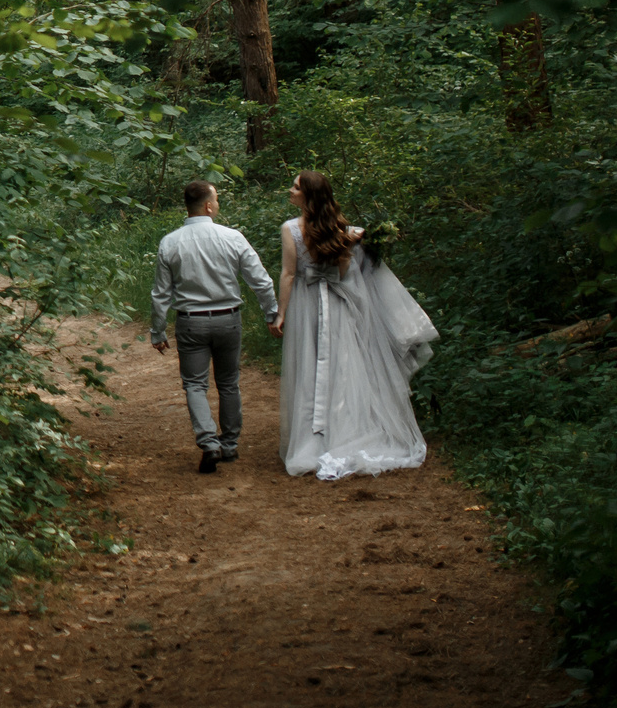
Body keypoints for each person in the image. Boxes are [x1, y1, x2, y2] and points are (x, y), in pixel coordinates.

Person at [277, 169, 439, 481]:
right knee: (345, 365)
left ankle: (316, 441)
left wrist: (281, 312)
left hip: (308, 305)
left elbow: (288, 273)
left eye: (295, 187)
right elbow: (346, 273)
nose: (291, 190)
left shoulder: (290, 229)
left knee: (310, 365)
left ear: (308, 195)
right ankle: (346, 430)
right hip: (340, 305)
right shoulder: (347, 232)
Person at [151, 178, 280, 474]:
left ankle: (209, 442)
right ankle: (230, 444)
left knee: (195, 385)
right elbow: (260, 280)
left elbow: (161, 294)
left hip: (191, 323)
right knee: (228, 382)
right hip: (228, 319)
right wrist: (271, 313)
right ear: (208, 206)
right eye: (217, 199)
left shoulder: (170, 242)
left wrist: (157, 331)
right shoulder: (232, 237)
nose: (218, 204)